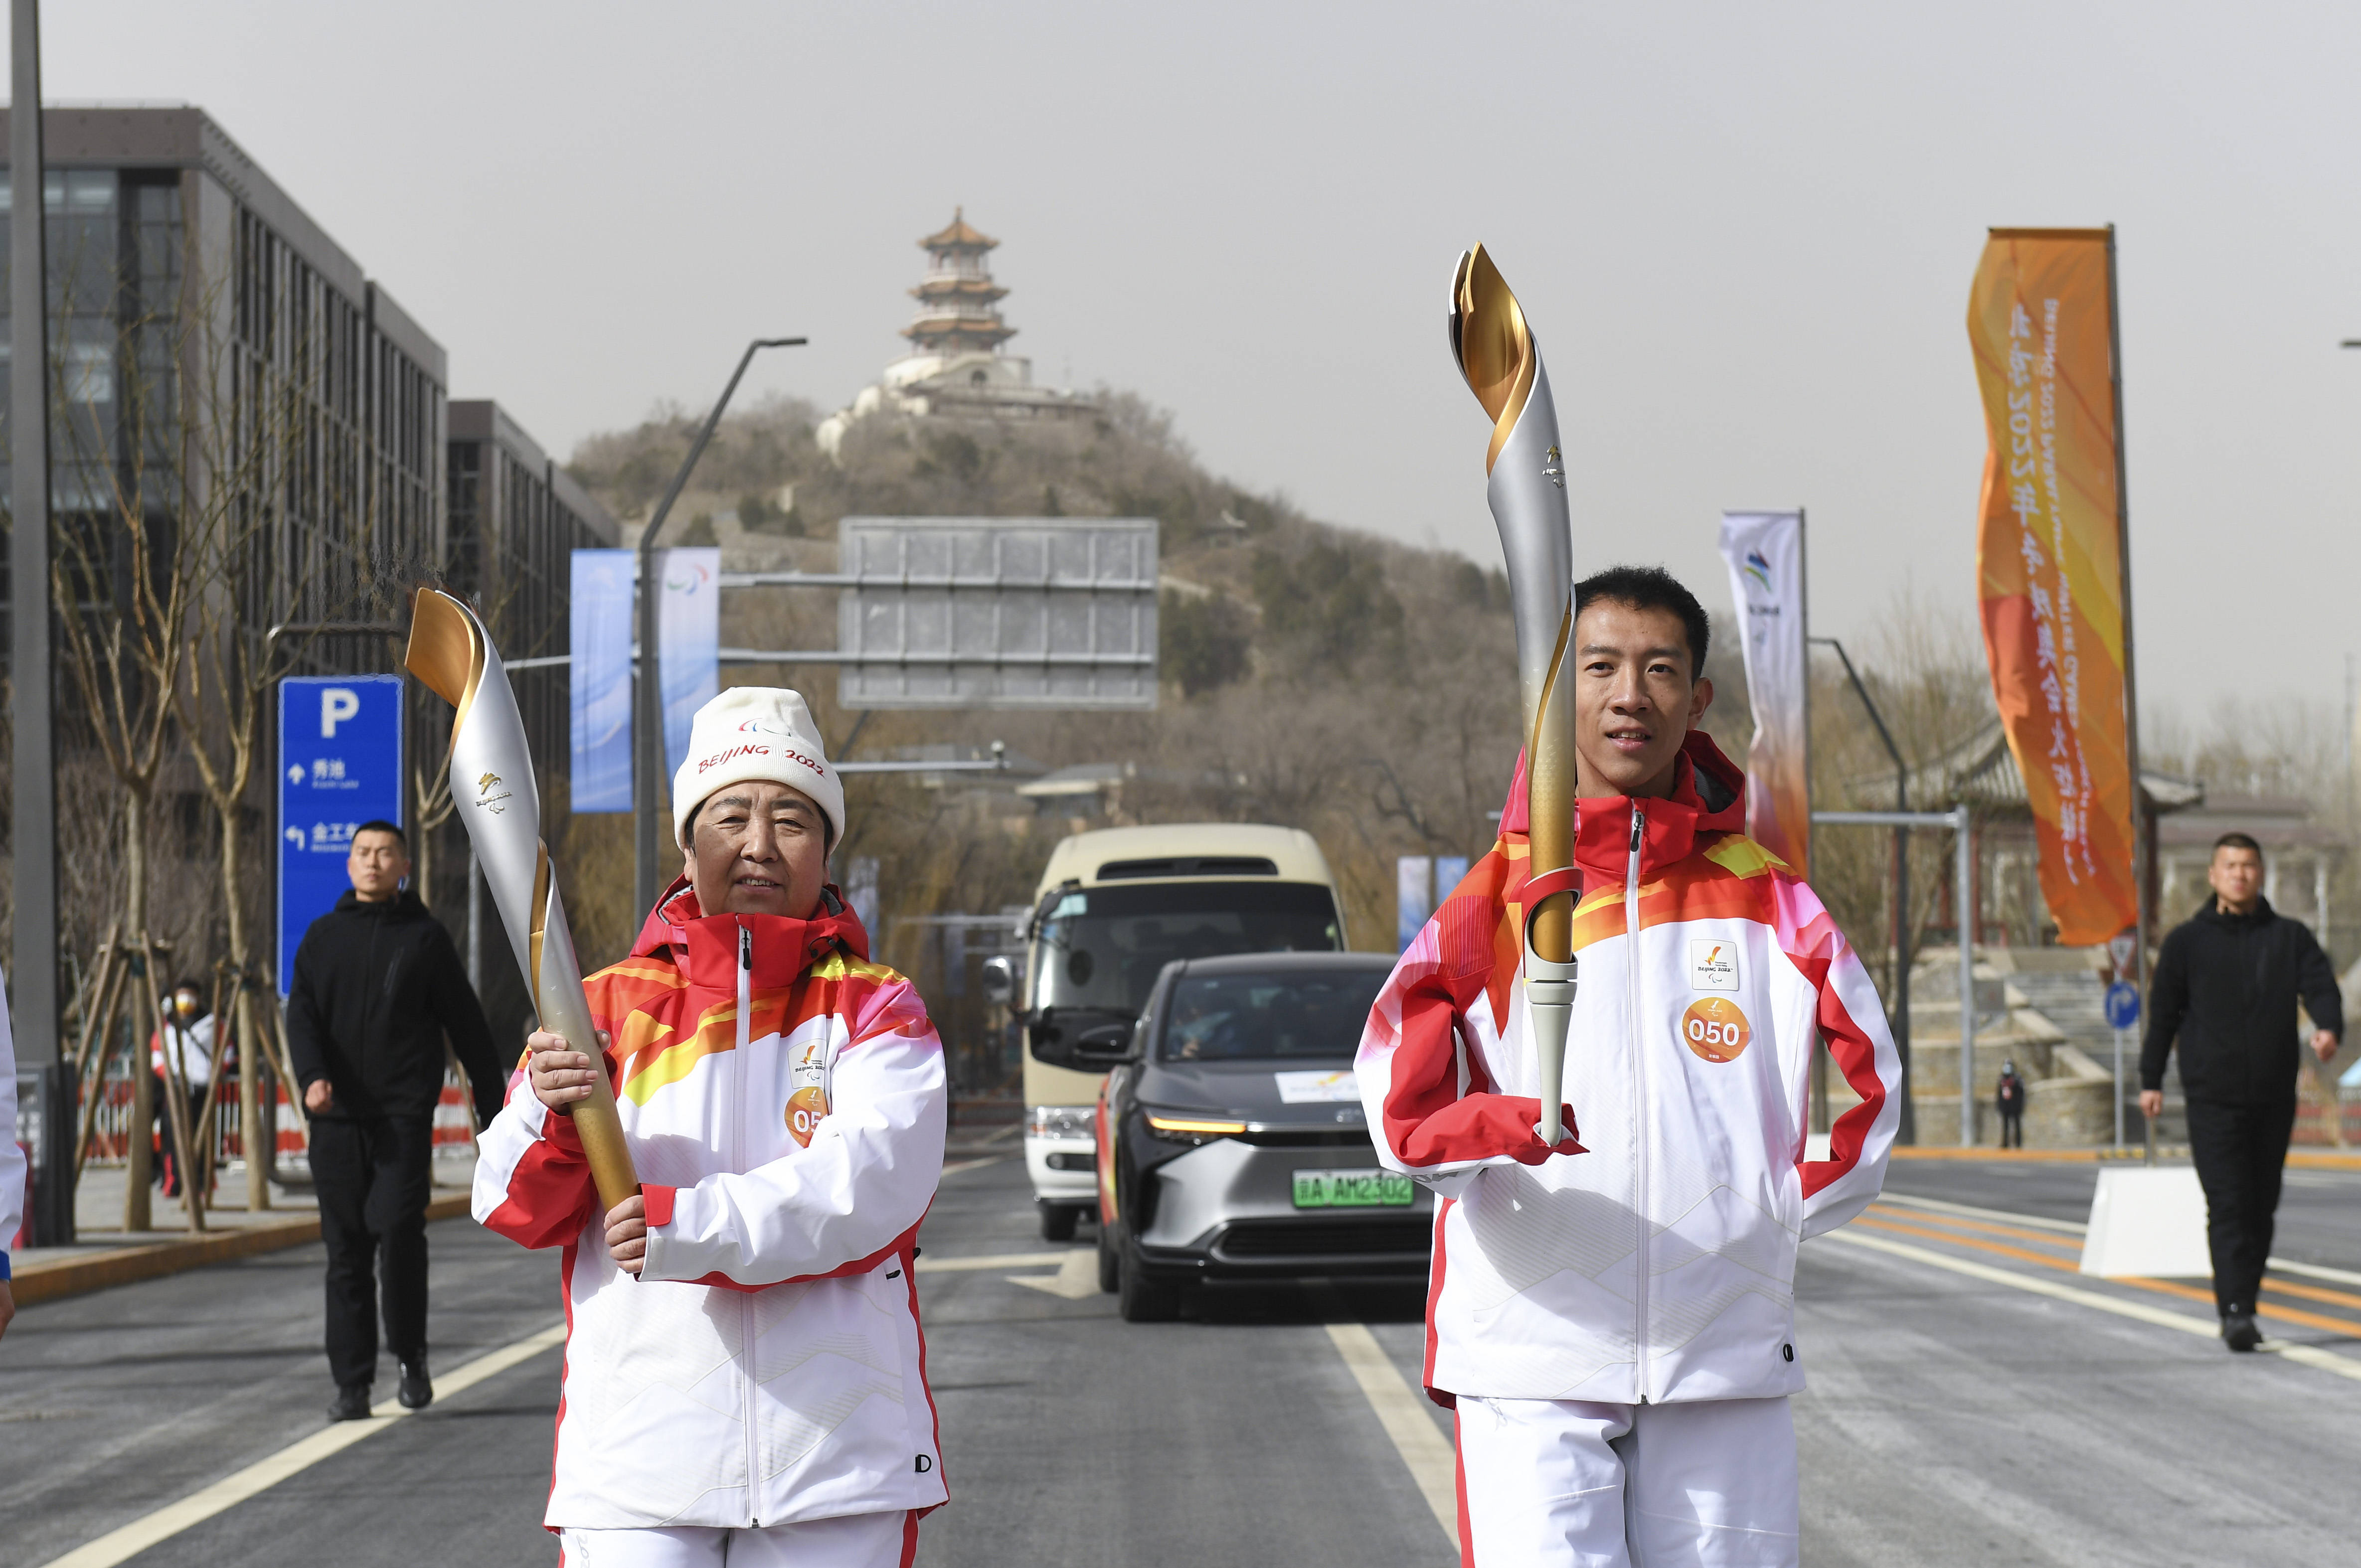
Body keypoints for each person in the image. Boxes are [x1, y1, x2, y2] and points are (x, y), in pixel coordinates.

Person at [1356, 566, 1901, 1568]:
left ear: (1695, 700)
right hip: (1533, 1343)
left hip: (1720, 1348)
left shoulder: (1768, 899)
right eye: (1599, 666)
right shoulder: (1499, 897)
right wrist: (1498, 1127)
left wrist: (1778, 1205)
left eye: (1659, 670)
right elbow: (1400, 1099)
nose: (1628, 695)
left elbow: (1875, 1078)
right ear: (1558, 692)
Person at [474, 687, 948, 1567]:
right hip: (641, 1466)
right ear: (690, 843)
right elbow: (508, 1203)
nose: (760, 844)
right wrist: (552, 1112)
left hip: (835, 1462)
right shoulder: (603, 1008)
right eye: (732, 815)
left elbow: (868, 1190)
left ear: (827, 846)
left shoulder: (877, 1007)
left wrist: (678, 1225)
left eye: (793, 820)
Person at [287, 820, 506, 1421]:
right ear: (349, 863)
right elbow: (301, 1016)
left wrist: (498, 1117)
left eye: (385, 853)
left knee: (399, 1235)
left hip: (402, 1119)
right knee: (345, 1250)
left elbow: (468, 1028)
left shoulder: (424, 939)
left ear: (403, 863)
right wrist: (312, 1077)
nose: (373, 862)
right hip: (335, 1123)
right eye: (363, 852)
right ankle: (352, 1383)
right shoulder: (322, 937)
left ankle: (410, 1356)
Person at [2138, 831, 2342, 1354]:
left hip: (2273, 1093)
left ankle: (2244, 1299)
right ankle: (2235, 1310)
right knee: (2228, 1202)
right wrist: (2150, 1078)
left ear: (2259, 873)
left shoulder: (2288, 936)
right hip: (2212, 1095)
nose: (2239, 874)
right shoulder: (2186, 942)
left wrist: (2326, 1025)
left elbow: (2320, 982)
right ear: (2212, 875)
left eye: (2248, 865)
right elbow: (2162, 1015)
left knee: (2260, 1203)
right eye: (2229, 865)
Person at [150, 980, 218, 1199]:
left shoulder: (212, 1023)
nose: (185, 1001)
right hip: (175, 1088)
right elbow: (157, 1055)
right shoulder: (166, 1026)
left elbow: (226, 1051)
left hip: (201, 1088)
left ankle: (201, 1183)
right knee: (173, 1137)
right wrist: (169, 1076)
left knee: (202, 1137)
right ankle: (174, 1181)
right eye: (181, 995)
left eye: (189, 995)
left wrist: (215, 1073)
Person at [1996, 1058, 2026, 1148]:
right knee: (2005, 1126)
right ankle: (2005, 1143)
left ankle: (2018, 1143)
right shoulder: (2002, 1079)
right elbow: (1999, 1093)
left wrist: (2020, 1105)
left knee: (2017, 1125)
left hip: (2015, 1106)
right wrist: (1999, 1105)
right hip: (2006, 1107)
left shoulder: (2017, 1079)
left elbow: (2021, 1093)